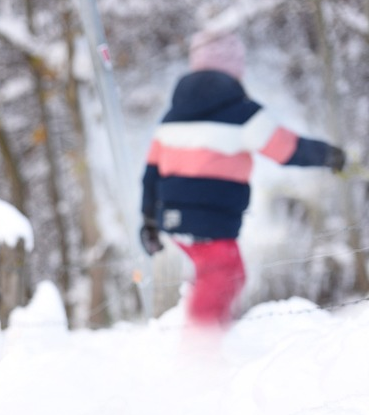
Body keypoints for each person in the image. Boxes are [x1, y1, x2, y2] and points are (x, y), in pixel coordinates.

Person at [140, 28, 346, 329]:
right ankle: (200, 348)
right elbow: (287, 149)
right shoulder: (242, 113)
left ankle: (211, 337)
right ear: (235, 67)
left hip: (173, 220)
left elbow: (150, 173)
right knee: (225, 273)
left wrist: (148, 221)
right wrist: (330, 156)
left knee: (210, 275)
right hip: (211, 221)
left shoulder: (171, 118)